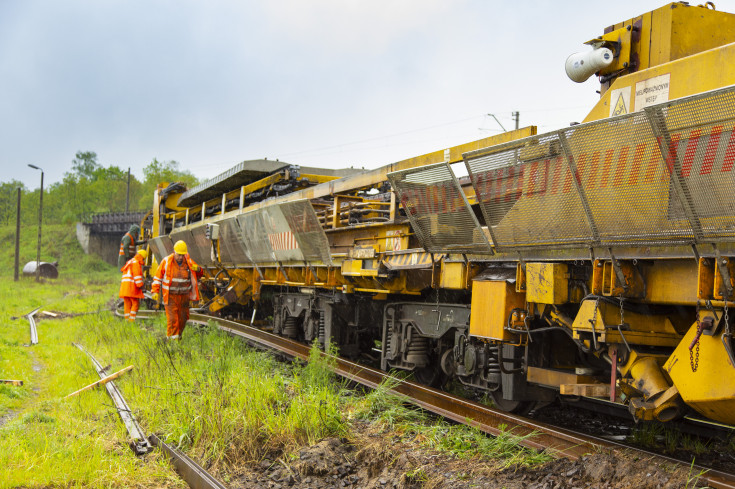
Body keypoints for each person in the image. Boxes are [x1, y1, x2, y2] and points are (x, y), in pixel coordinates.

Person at [151, 240, 203, 340]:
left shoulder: (188, 262)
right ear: (174, 252)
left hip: (184, 297)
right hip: (171, 297)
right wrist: (155, 291)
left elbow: (200, 273)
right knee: (173, 320)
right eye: (179, 255)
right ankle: (172, 342)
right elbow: (157, 278)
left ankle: (177, 338)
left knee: (183, 319)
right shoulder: (166, 262)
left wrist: (198, 269)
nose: (180, 257)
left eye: (182, 255)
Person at [119, 249, 147, 321]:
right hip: (131, 287)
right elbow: (137, 276)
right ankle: (131, 321)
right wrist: (141, 286)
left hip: (125, 287)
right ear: (142, 257)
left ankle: (127, 320)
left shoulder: (130, 262)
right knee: (135, 304)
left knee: (127, 304)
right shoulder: (136, 263)